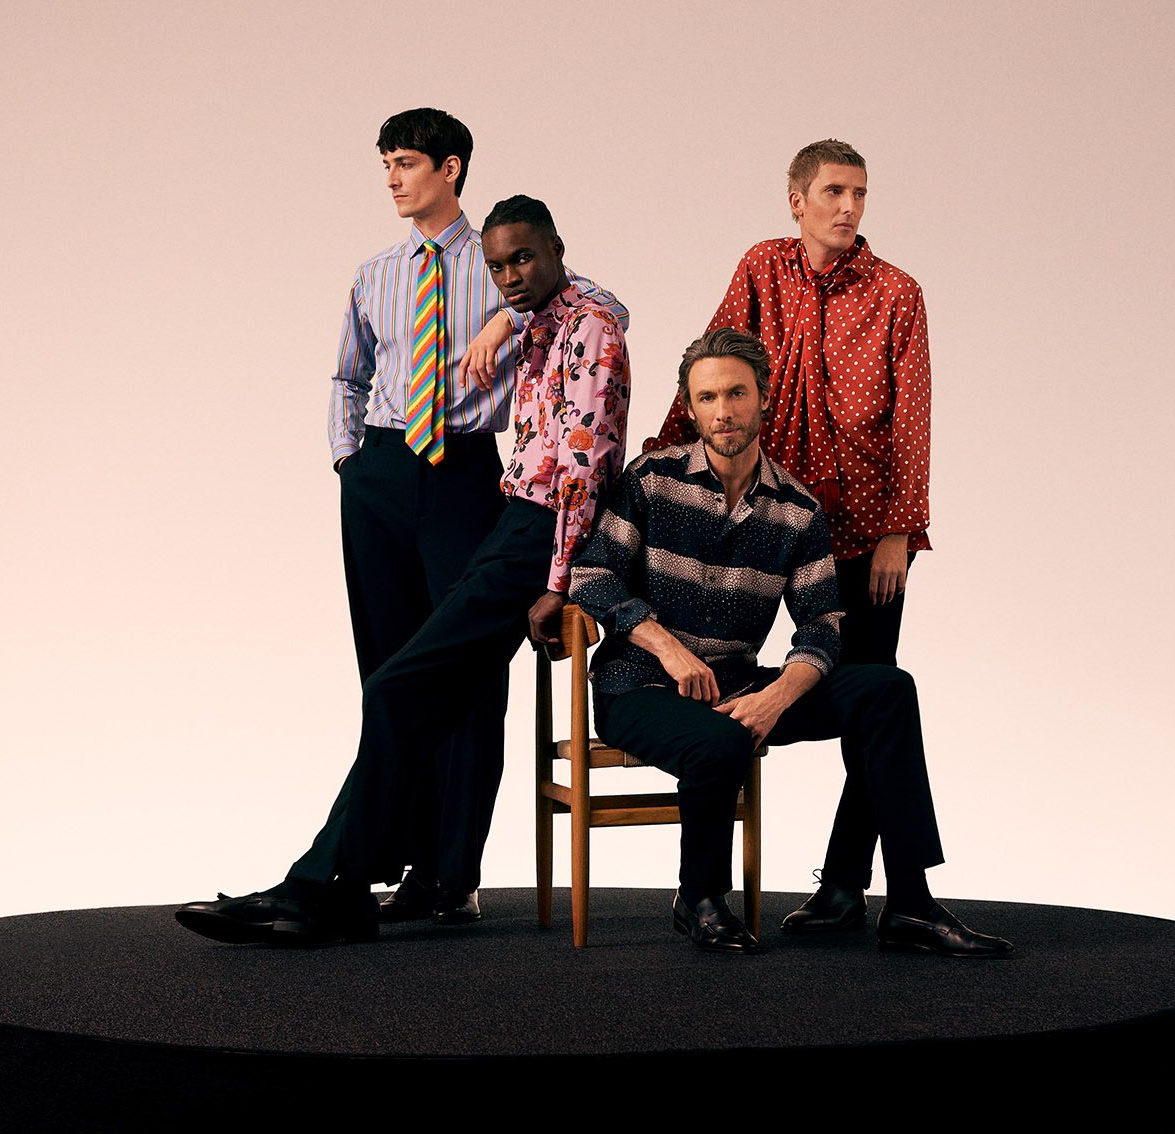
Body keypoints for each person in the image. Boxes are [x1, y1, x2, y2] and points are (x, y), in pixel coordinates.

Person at [177, 195, 630, 945]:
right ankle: (333, 889)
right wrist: (503, 321)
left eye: (524, 259)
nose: (510, 278)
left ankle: (325, 891)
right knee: (409, 691)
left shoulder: (590, 326)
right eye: (498, 268)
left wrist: (557, 584)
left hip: (543, 531)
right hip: (510, 513)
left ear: (558, 247)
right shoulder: (540, 319)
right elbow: (354, 374)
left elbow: (585, 467)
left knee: (401, 689)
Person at [569, 328, 1006, 958]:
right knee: (719, 739)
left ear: (765, 397)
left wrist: (775, 699)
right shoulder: (652, 480)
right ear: (689, 407)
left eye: (736, 393)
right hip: (639, 685)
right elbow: (592, 576)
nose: (723, 411)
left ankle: (910, 902)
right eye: (707, 398)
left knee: (888, 689)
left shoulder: (797, 508)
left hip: (737, 684)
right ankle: (699, 899)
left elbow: (824, 626)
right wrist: (668, 648)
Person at [298, 108, 628, 924]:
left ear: (450, 169)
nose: (392, 178)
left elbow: (604, 307)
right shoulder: (374, 272)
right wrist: (348, 460)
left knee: (467, 679)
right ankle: (389, 860)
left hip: (466, 473)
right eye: (385, 163)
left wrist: (503, 315)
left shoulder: (504, 258)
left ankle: (451, 875)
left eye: (406, 162)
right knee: (390, 668)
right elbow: (347, 376)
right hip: (380, 472)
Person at [646, 139, 930, 932]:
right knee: (724, 659)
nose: (849, 207)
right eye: (834, 191)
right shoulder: (761, 268)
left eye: (860, 193)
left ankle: (845, 886)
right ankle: (705, 885)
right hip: (766, 520)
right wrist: (661, 466)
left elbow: (912, 416)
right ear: (797, 200)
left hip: (864, 531)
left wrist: (899, 532)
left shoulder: (898, 292)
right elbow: (713, 365)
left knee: (872, 701)